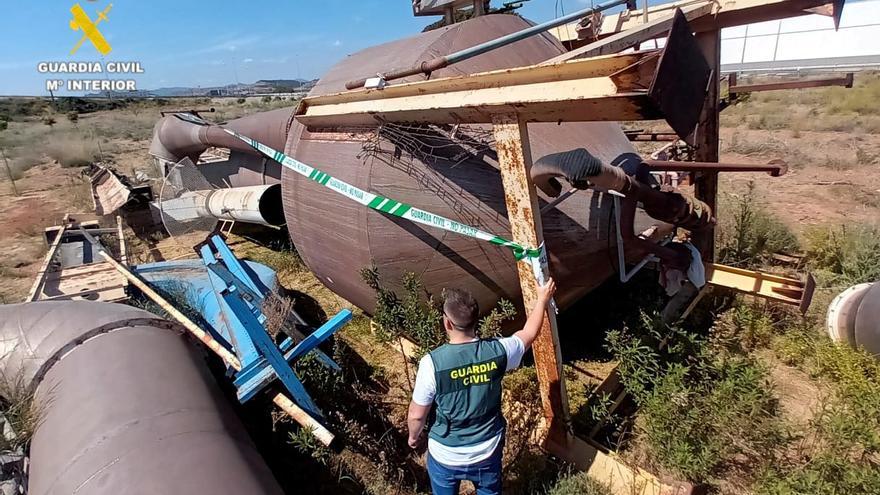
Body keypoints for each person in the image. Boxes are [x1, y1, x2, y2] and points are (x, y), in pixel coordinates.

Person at [407, 279, 557, 495]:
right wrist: (542, 299)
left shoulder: (431, 364)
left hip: (446, 454)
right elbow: (528, 333)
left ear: (447, 323)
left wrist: (413, 437)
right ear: (476, 321)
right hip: (487, 449)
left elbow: (416, 415)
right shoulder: (499, 351)